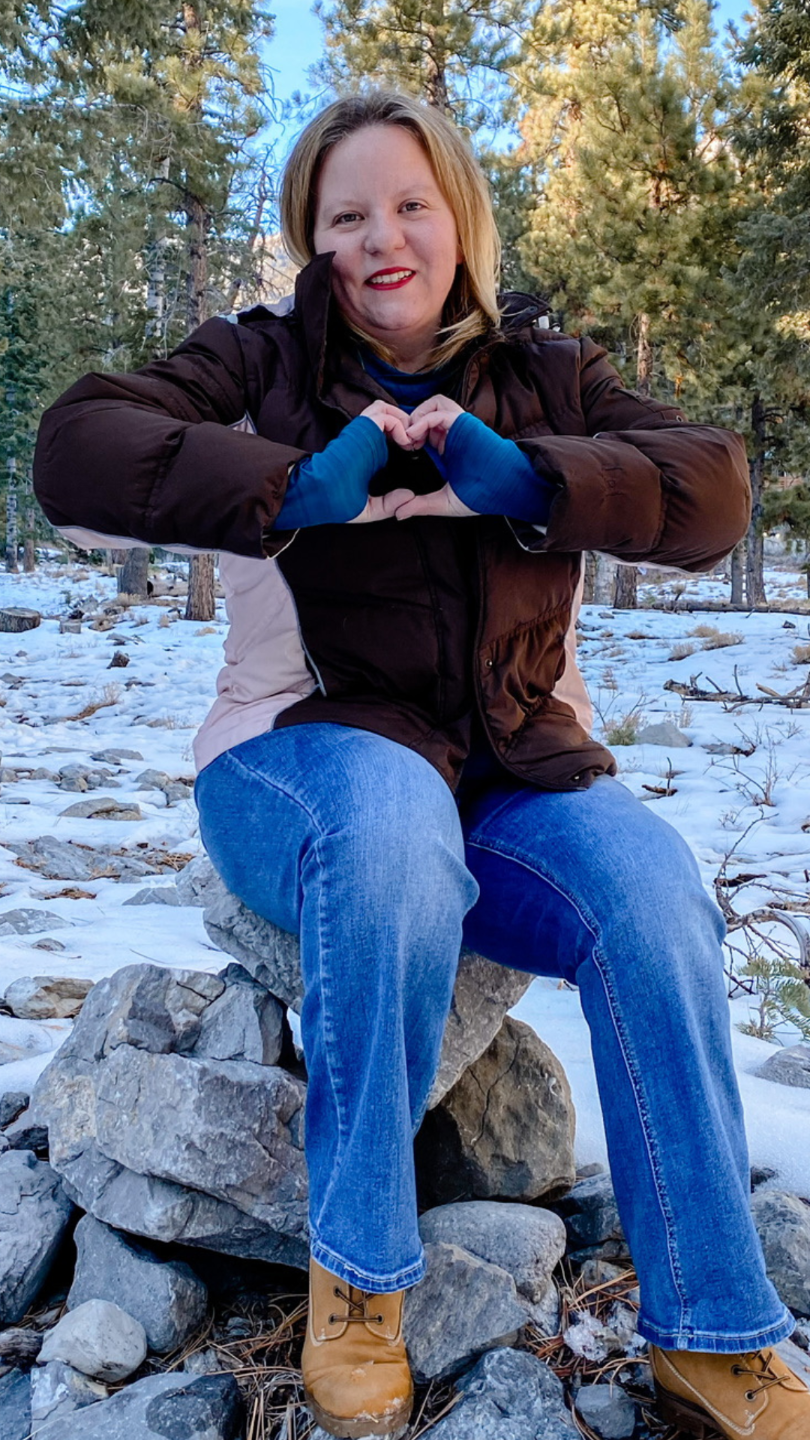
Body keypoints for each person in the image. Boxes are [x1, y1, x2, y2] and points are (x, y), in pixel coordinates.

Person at [34, 89, 809, 1440]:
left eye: (409, 205)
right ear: (308, 235)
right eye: (346, 216)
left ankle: (711, 1336)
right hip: (299, 758)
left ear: (457, 218)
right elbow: (76, 443)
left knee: (652, 896)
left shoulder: (545, 373)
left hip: (516, 765)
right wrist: (288, 488)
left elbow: (714, 484)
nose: (381, 238)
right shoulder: (258, 361)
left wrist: (536, 480)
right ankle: (361, 1277)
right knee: (389, 832)